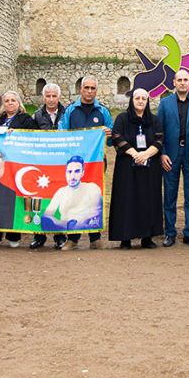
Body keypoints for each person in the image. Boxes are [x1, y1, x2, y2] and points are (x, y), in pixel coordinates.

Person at [157, 68, 189, 247]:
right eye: (179, 79)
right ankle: (170, 233)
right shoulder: (164, 103)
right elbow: (159, 132)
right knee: (169, 196)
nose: (182, 82)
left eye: (185, 79)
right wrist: (162, 153)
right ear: (173, 82)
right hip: (170, 155)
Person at [58, 75, 113, 249]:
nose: (89, 91)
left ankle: (94, 237)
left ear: (97, 91)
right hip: (74, 163)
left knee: (93, 196)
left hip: (96, 163)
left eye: (93, 88)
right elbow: (61, 132)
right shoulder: (70, 110)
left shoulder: (103, 111)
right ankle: (72, 238)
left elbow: (112, 138)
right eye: (86, 88)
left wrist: (109, 133)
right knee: (74, 197)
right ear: (80, 89)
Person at [108, 89, 164, 248]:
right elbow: (117, 137)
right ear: (132, 100)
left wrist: (145, 154)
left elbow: (159, 140)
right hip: (127, 167)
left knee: (148, 200)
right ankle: (125, 238)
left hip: (149, 168)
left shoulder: (154, 120)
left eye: (144, 99)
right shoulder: (122, 118)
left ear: (147, 101)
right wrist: (135, 154)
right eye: (137, 98)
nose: (140, 101)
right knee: (126, 200)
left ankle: (147, 237)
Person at [0, 91, 35, 246]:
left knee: (14, 199)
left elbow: (34, 136)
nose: (10, 103)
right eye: (7, 100)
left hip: (17, 164)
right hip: (0, 165)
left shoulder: (26, 119)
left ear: (19, 103)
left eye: (13, 100)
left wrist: (18, 134)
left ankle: (13, 236)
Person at [30, 83, 69, 249]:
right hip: (42, 163)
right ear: (43, 97)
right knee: (39, 197)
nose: (51, 99)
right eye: (48, 96)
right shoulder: (36, 116)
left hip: (61, 162)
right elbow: (29, 136)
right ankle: (39, 235)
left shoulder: (67, 113)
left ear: (58, 97)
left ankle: (60, 235)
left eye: (54, 96)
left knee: (59, 198)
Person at [40, 155, 104, 235]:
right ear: (65, 173)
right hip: (68, 231)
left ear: (82, 173)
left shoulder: (92, 188)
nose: (72, 176)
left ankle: (95, 240)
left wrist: (72, 225)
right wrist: (68, 225)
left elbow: (95, 218)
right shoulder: (61, 192)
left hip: (88, 229)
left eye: (77, 171)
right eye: (69, 171)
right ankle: (72, 241)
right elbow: (46, 218)